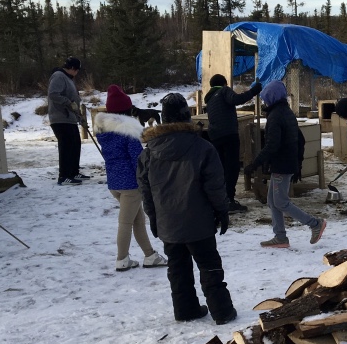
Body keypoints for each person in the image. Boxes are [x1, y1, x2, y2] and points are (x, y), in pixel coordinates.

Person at [138, 93, 237, 325]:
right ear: (187, 116)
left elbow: (146, 190)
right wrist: (222, 211)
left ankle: (185, 309)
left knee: (177, 269)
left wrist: (153, 217)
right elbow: (215, 186)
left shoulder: (149, 152)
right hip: (199, 223)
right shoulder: (202, 147)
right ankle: (222, 311)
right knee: (209, 266)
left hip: (168, 223)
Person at [93, 85, 168, 272]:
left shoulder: (104, 132)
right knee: (126, 222)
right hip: (131, 184)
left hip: (114, 183)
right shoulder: (129, 132)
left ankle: (150, 255)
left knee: (137, 220)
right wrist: (148, 179)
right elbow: (139, 160)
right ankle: (122, 259)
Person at [246, 82, 327, 249]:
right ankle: (280, 237)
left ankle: (315, 224)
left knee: (281, 202)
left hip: (282, 165)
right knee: (272, 201)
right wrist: (297, 163)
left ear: (272, 97)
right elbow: (301, 140)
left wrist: (255, 164)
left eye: (266, 98)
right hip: (287, 163)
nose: (265, 102)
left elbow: (272, 145)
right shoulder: (287, 112)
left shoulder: (276, 116)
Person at [205, 73, 263, 212]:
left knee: (221, 168)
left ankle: (219, 199)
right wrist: (254, 91)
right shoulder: (224, 91)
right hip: (229, 135)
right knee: (232, 168)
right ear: (224, 83)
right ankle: (229, 200)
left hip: (215, 137)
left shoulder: (210, 98)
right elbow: (237, 100)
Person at [47, 56, 88, 185]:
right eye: (77, 70)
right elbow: (53, 94)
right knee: (66, 146)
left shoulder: (68, 78)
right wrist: (69, 103)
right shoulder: (59, 76)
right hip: (60, 118)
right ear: (71, 68)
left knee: (75, 144)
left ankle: (73, 172)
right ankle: (64, 176)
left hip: (69, 118)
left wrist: (79, 116)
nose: (77, 73)